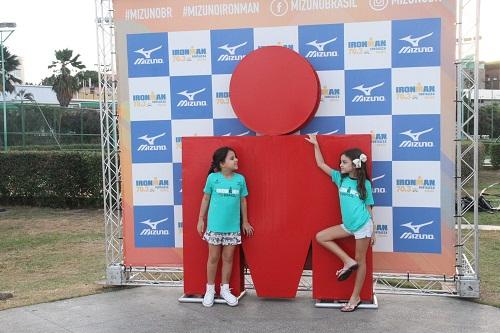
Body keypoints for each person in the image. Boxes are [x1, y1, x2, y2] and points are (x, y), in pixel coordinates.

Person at [305, 134, 375, 312]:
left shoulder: (364, 183)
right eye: (340, 162)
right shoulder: (340, 178)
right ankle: (347, 261)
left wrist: (373, 231)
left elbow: (369, 207)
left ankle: (355, 297)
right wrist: (315, 145)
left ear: (355, 164)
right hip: (347, 226)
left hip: (363, 226)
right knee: (321, 237)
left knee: (361, 261)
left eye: (344, 162)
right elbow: (321, 165)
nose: (340, 165)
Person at [197, 146, 254, 307]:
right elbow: (206, 199)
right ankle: (210, 290)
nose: (236, 160)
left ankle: (225, 289)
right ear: (222, 163)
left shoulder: (240, 179)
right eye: (232, 158)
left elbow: (243, 201)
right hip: (215, 227)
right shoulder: (212, 179)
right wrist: (201, 219)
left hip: (232, 228)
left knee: (228, 259)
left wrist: (245, 222)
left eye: (236, 157)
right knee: (213, 258)